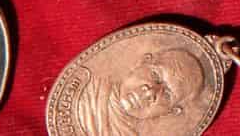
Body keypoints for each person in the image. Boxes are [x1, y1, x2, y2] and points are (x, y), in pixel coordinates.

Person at [73, 47, 207, 136]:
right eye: (155, 76)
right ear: (143, 61)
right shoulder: (87, 91)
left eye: (167, 95)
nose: (150, 93)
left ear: (172, 111)